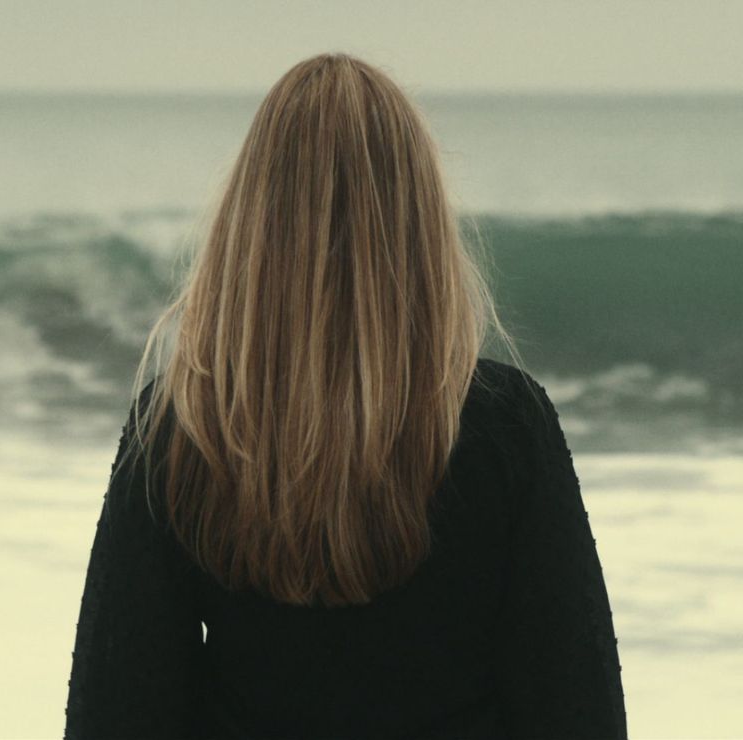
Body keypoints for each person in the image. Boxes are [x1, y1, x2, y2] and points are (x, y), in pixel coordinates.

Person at [64, 52, 627, 739]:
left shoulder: (184, 428)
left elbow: (114, 712)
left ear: (253, 221)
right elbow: (578, 709)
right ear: (420, 224)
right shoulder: (504, 427)